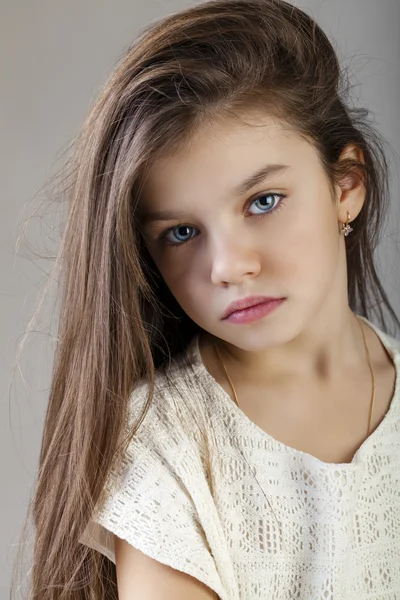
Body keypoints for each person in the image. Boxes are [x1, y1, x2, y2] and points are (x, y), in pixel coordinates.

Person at [10, 0, 400, 599]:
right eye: (181, 233)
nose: (228, 267)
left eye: (263, 202)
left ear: (345, 187)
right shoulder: (161, 447)